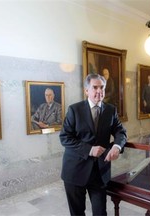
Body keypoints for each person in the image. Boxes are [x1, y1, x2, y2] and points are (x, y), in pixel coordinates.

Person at [59, 73, 127, 216]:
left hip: (99, 172)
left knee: (100, 212)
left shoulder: (110, 110)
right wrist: (89, 150)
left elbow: (120, 131)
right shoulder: (74, 110)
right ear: (86, 91)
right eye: (95, 87)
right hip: (75, 171)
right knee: (77, 213)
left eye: (102, 87)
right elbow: (65, 137)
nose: (99, 91)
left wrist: (117, 146)